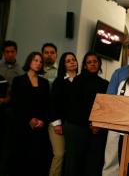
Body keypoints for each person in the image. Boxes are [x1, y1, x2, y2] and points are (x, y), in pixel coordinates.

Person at [102, 38, 129, 176]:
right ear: (128, 51)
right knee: (111, 162)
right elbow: (110, 98)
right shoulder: (119, 73)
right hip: (117, 123)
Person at [64, 52, 109, 176]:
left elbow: (106, 107)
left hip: (97, 129)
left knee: (93, 164)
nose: (92, 64)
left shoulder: (105, 83)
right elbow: (74, 106)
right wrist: (90, 123)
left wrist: (97, 124)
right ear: (84, 66)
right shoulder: (77, 81)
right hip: (78, 127)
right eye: (89, 62)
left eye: (95, 61)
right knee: (75, 164)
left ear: (99, 63)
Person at [10, 52, 52, 176]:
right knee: (20, 160)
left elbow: (47, 105)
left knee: (37, 162)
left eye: (40, 61)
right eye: (35, 60)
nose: (38, 63)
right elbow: (16, 104)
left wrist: (42, 121)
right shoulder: (18, 80)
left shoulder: (44, 83)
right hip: (22, 126)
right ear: (29, 62)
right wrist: (28, 119)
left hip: (40, 127)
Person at [50, 52, 78, 176]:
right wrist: (57, 124)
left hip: (75, 126)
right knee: (60, 154)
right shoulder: (59, 81)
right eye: (68, 61)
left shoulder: (82, 80)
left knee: (72, 157)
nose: (72, 62)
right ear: (63, 64)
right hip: (58, 124)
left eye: (73, 59)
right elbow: (53, 104)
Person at [0, 40, 23, 175]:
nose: (9, 54)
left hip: (10, 111)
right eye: (7, 52)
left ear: (16, 53)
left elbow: (19, 93)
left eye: (12, 52)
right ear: (3, 53)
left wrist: (7, 99)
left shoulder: (20, 72)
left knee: (6, 144)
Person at [41, 42, 64, 176]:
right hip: (37, 116)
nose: (49, 55)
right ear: (42, 54)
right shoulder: (36, 69)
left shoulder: (59, 73)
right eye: (46, 52)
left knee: (56, 153)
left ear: (56, 55)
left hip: (52, 117)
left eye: (52, 53)